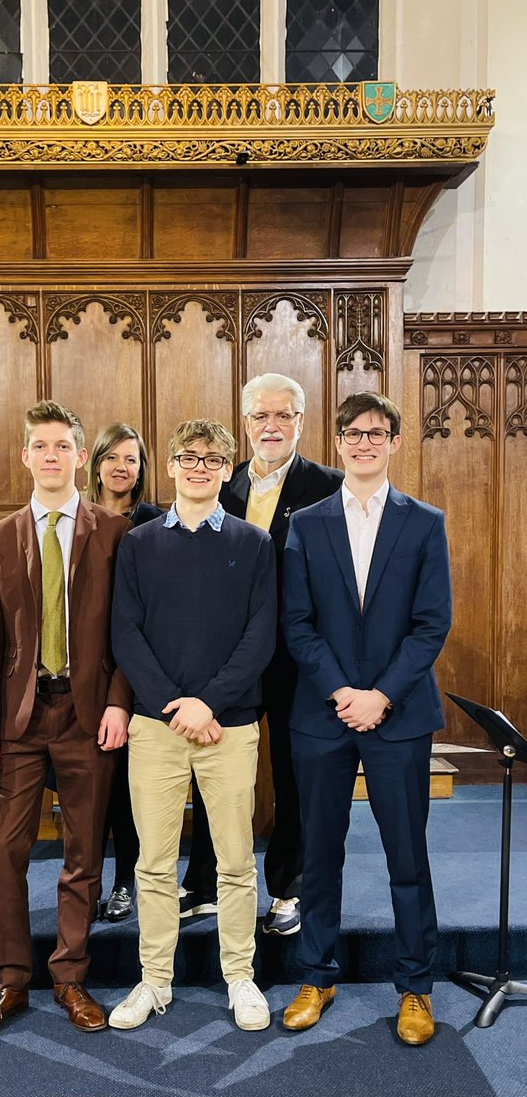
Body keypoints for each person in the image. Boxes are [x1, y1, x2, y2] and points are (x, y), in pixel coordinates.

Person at [281, 392, 452, 1046]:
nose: (363, 442)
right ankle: (316, 976)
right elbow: (297, 622)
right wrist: (340, 692)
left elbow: (431, 623)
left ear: (395, 442)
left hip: (398, 715)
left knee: (406, 857)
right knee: (320, 856)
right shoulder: (307, 524)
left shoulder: (423, 523)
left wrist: (380, 695)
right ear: (338, 442)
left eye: (376, 433)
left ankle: (415, 986)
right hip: (322, 715)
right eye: (353, 433)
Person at [0, 400, 131, 1041]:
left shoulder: (114, 532)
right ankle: (10, 979)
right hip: (20, 717)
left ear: (81, 456)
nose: (51, 455)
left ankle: (70, 976)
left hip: (89, 713)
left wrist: (119, 701)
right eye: (40, 446)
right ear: (25, 456)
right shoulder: (0, 537)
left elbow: (130, 627)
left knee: (84, 851)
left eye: (62, 446)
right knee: (6, 849)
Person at [109, 419, 277, 1032]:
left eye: (212, 459)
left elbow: (261, 635)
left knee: (235, 862)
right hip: (157, 728)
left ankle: (240, 977)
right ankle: (155, 979)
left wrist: (209, 704)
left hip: (228, 727)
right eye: (188, 457)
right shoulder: (138, 543)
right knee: (153, 865)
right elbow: (125, 633)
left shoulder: (255, 543)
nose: (200, 467)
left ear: (229, 470)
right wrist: (173, 705)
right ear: (172, 466)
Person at [179, 374, 343, 934]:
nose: (271, 426)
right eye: (260, 416)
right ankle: (204, 884)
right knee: (213, 769)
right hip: (229, 659)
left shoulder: (329, 487)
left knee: (294, 774)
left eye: (283, 415)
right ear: (246, 423)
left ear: (301, 422)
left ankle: (289, 889)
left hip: (299, 658)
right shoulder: (220, 483)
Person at [86, 422, 163, 922]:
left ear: (141, 469)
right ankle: (86, 879)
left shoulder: (154, 521)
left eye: (131, 459)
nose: (121, 467)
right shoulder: (78, 518)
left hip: (137, 663)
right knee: (92, 785)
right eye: (111, 457)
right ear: (96, 465)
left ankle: (124, 882)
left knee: (126, 789)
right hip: (88, 667)